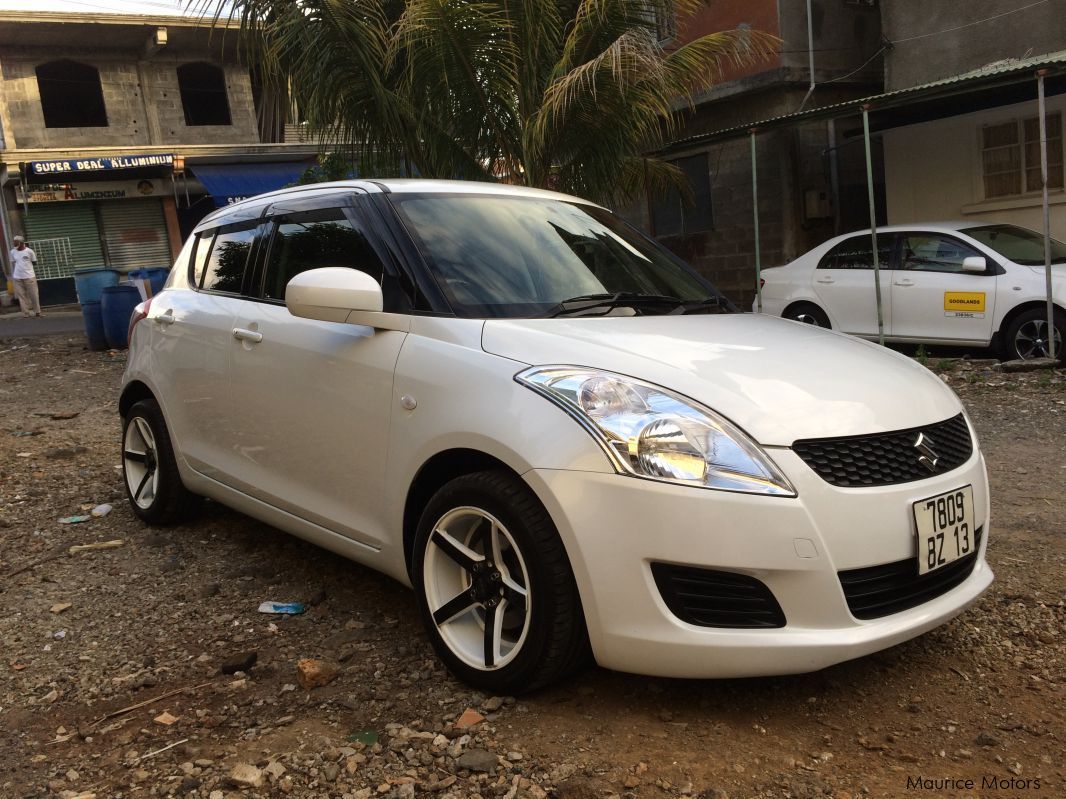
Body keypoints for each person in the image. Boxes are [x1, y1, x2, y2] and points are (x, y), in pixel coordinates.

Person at [9, 234, 42, 317]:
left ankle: (37, 311)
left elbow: (34, 262)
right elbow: (13, 262)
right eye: (14, 243)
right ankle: (26, 313)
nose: (15, 245)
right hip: (17, 277)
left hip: (29, 276)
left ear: (22, 243)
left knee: (33, 294)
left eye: (17, 243)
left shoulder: (30, 251)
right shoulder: (13, 251)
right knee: (22, 296)